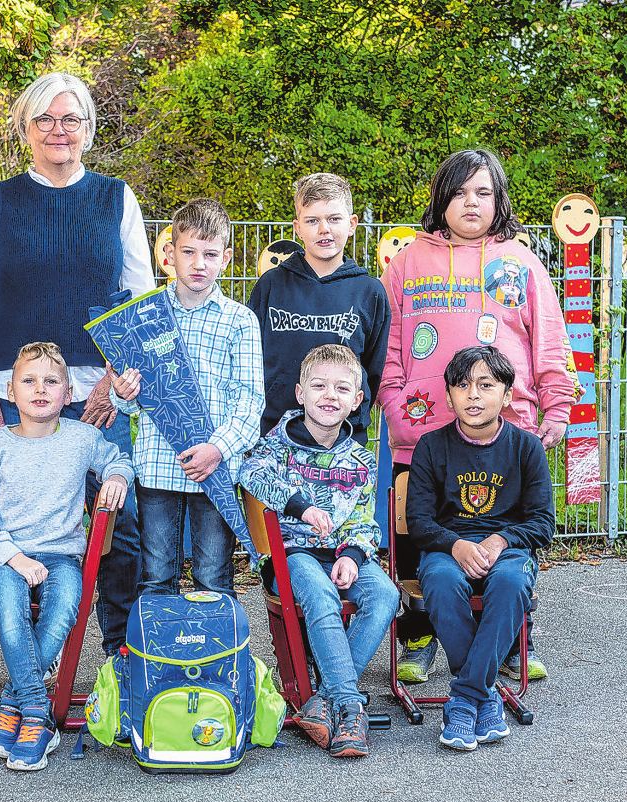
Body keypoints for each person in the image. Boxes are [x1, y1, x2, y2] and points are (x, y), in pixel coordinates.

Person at [0, 72, 152, 660]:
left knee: (116, 529)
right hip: (14, 389)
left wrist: (113, 385)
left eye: (70, 119)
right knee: (22, 526)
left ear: (89, 130)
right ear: (25, 129)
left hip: (99, 389)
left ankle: (121, 660)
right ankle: (36, 663)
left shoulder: (118, 198)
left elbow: (140, 300)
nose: (58, 130)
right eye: (44, 119)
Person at [378, 148, 575, 683]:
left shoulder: (522, 262)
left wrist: (555, 405)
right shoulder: (407, 263)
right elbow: (390, 346)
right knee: (420, 541)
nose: (471, 202)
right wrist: (396, 408)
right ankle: (418, 640)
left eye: (482, 192)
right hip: (420, 434)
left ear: (498, 200)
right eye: (460, 192)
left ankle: (509, 640)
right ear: (442, 198)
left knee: (507, 534)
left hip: (505, 431)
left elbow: (550, 340)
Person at [0, 342, 134, 771]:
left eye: (51, 381)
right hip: (7, 556)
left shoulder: (83, 438)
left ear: (69, 392)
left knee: (62, 610)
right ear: (9, 389)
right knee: (10, 609)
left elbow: (120, 459)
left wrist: (116, 476)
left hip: (61, 558)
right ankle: (38, 714)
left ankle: (12, 701)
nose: (40, 389)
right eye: (29, 380)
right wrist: (14, 559)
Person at [239, 344, 398, 758]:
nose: (330, 395)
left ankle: (325, 699)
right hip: (290, 554)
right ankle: (349, 706)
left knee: (385, 594)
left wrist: (353, 555)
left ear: (357, 400)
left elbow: (364, 521)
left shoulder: (361, 460)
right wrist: (302, 507)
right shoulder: (276, 446)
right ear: (300, 393)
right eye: (320, 386)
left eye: (342, 388)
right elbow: (249, 473)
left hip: (340, 554)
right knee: (322, 595)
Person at [108, 198, 264, 596]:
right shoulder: (143, 317)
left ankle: (215, 659)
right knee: (157, 576)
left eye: (210, 254)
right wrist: (121, 393)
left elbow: (250, 404)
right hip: (158, 466)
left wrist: (217, 449)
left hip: (216, 470)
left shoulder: (240, 320)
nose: (199, 263)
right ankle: (160, 658)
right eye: (189, 251)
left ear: (226, 258)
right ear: (169, 254)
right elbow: (130, 400)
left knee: (213, 577)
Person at [406, 346, 554, 751]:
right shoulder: (431, 447)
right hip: (446, 547)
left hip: (508, 550)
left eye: (485, 385)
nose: (473, 394)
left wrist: (499, 539)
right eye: (462, 385)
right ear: (449, 395)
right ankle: (485, 696)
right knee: (439, 579)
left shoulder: (526, 448)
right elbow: (418, 522)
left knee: (509, 582)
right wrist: (455, 545)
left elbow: (543, 522)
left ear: (507, 395)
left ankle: (466, 697)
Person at [246, 172, 390, 443]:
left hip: (341, 440)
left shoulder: (369, 292)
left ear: (351, 224)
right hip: (274, 438)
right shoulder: (271, 285)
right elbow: (249, 360)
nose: (324, 229)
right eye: (313, 220)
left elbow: (373, 371)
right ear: (297, 228)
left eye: (334, 219)